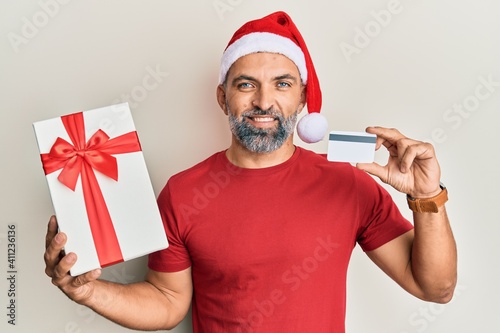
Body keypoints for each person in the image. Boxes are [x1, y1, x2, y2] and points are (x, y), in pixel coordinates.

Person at [44, 11, 457, 333]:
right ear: (223, 99)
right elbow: (168, 303)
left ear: (302, 99)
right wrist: (87, 291)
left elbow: (435, 288)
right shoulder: (182, 193)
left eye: (281, 84)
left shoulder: (349, 184)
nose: (264, 102)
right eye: (246, 85)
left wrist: (427, 197)